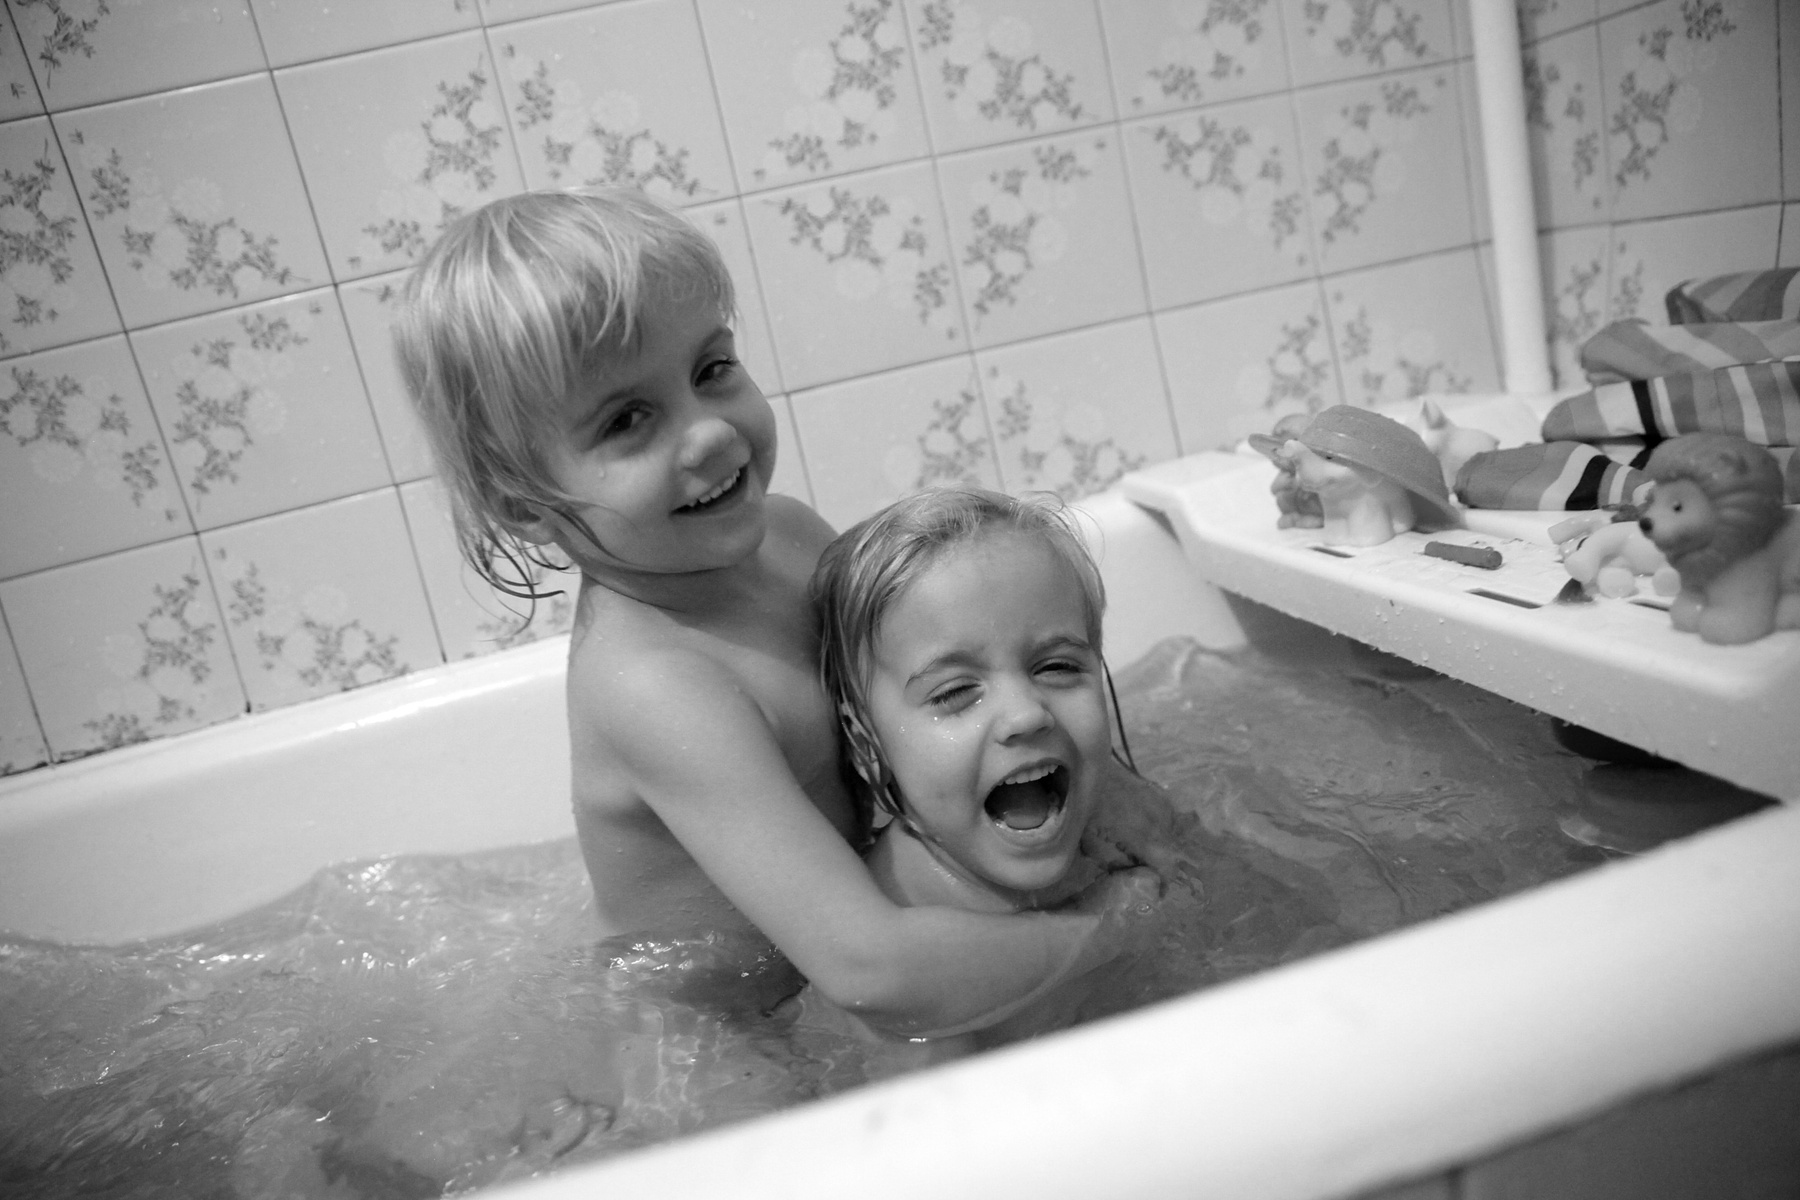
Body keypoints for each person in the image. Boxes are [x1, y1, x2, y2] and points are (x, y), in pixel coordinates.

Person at [392, 187, 1156, 1044]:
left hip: (820, 964)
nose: (711, 434)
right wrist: (1115, 930)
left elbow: (932, 696)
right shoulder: (657, 685)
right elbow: (870, 969)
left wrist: (1120, 808)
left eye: (711, 370)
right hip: (717, 1032)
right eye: (629, 420)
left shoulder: (789, 537)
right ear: (524, 503)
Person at [807, 486, 1181, 1051]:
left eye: (1057, 667)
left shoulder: (1126, 837)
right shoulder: (903, 944)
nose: (1027, 715)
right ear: (867, 745)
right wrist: (1118, 924)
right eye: (955, 692)